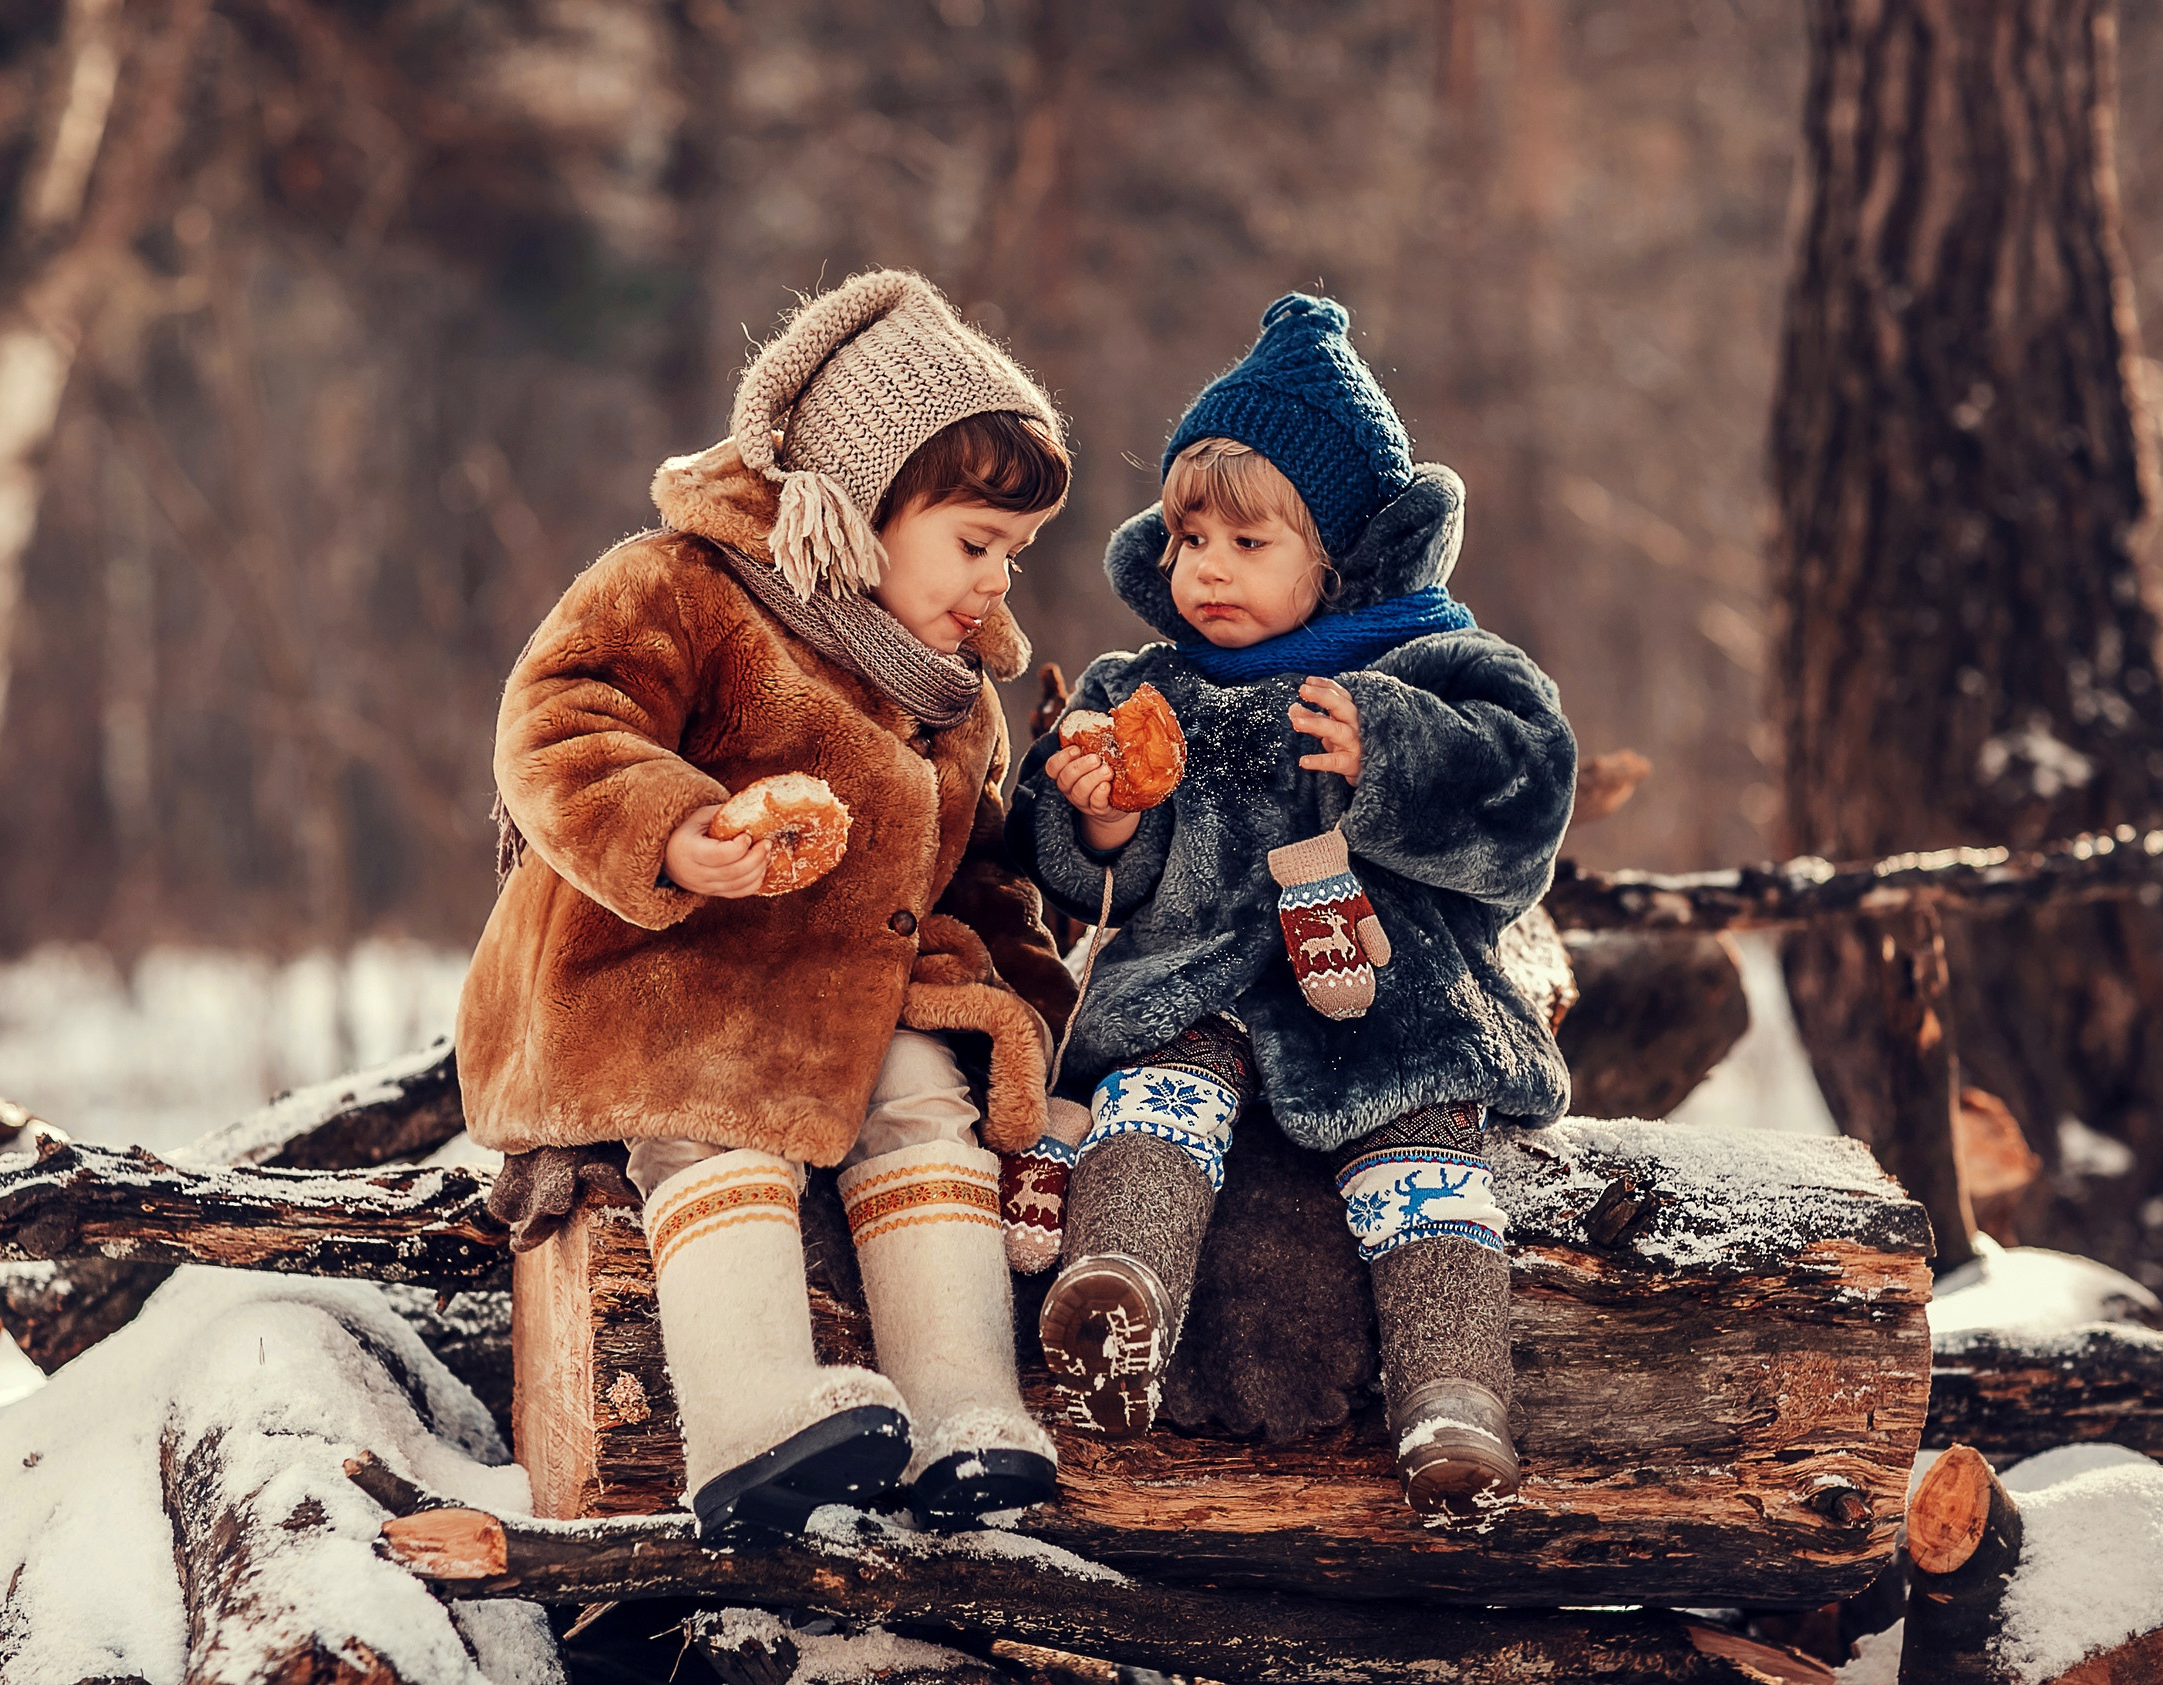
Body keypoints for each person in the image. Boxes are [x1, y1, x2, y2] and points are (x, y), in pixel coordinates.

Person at [461, 270, 1076, 1542]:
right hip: (655, 970)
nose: (994, 586)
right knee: (716, 1110)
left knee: (922, 1105)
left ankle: (962, 1408)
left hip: (844, 1001)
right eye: (974, 545)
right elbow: (561, 722)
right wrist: (681, 834)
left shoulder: (953, 694)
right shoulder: (681, 587)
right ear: (860, 501)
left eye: (1013, 557)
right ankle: (750, 1415)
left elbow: (980, 872)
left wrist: (1002, 999)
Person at [1007, 293, 1576, 1514]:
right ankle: (1119, 1300)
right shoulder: (1143, 685)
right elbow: (1078, 869)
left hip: (1389, 995)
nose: (1202, 570)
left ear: (1337, 551)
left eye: (1244, 545)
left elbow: (1522, 811)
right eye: (1182, 539)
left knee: (1421, 1165)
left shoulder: (1434, 667)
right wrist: (1101, 812)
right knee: (1151, 1098)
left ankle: (1455, 1405)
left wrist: (1397, 756)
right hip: (1194, 979)